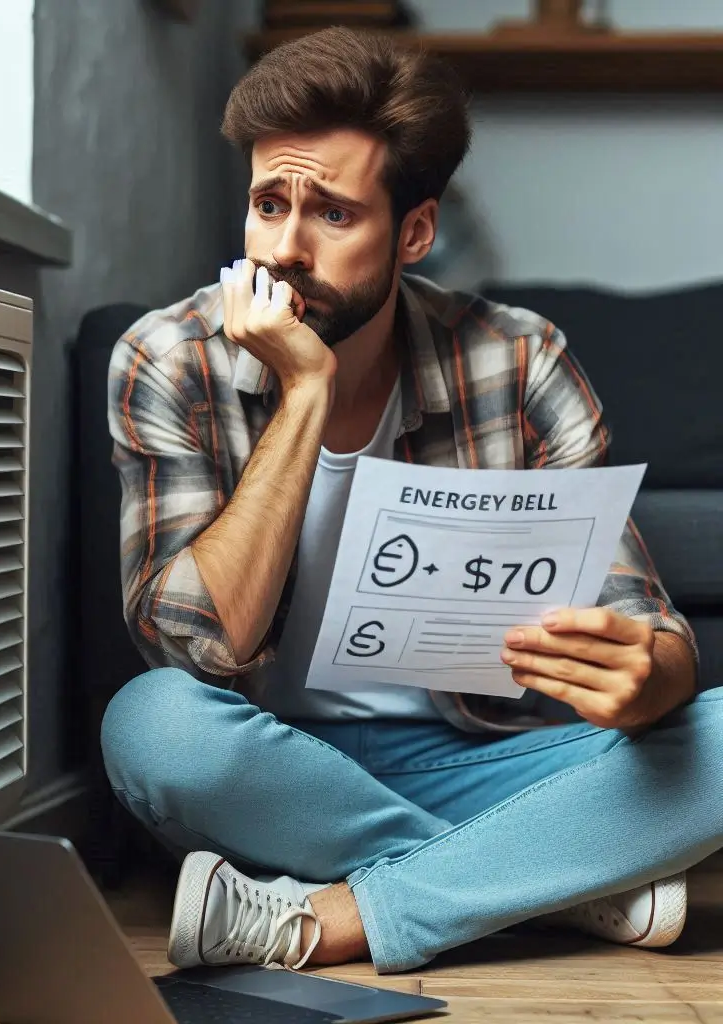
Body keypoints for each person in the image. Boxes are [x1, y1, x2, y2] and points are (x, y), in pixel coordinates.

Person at [101, 26, 723, 975]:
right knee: (154, 727)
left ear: (415, 232)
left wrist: (657, 673)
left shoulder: (520, 359)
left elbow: (641, 620)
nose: (285, 249)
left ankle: (336, 917)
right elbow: (198, 647)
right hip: (273, 768)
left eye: (334, 214)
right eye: (268, 205)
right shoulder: (168, 358)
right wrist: (304, 393)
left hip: (487, 763)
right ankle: (551, 881)